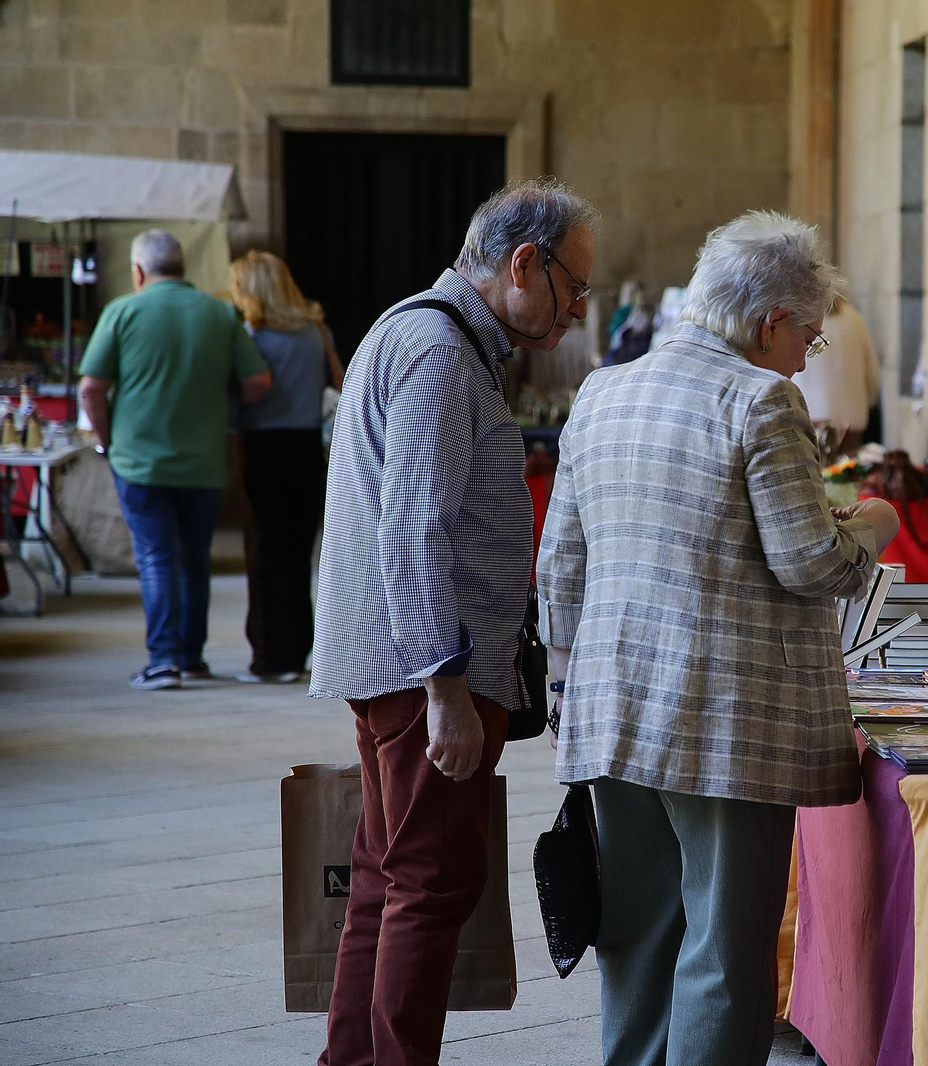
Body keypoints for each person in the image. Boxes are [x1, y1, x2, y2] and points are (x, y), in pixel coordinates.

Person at [537, 210, 901, 1066]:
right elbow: (811, 562)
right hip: (728, 722)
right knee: (725, 956)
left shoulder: (603, 390)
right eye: (809, 339)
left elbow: (559, 564)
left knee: (637, 935)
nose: (805, 355)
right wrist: (876, 526)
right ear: (771, 320)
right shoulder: (760, 397)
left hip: (614, 706)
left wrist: (563, 684)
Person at [309, 178, 598, 1066]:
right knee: (432, 884)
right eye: (573, 287)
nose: (578, 311)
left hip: (386, 654)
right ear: (522, 263)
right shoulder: (437, 349)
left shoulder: (417, 329)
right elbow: (412, 524)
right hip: (421, 666)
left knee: (385, 877)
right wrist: (445, 687)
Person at [78, 229, 272, 690]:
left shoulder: (122, 311)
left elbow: (91, 387)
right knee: (193, 559)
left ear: (138, 271)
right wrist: (225, 408)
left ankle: (163, 661)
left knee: (157, 557)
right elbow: (258, 381)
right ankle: (191, 656)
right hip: (203, 461)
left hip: (139, 461)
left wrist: (106, 440)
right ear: (182, 267)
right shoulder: (219, 314)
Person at [229, 250, 343, 684]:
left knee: (263, 552)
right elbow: (339, 381)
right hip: (305, 447)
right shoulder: (315, 329)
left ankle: (270, 657)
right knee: (298, 553)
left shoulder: (248, 335)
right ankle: (298, 650)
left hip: (261, 445)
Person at [792, 292, 880, 452]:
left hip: (810, 418)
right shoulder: (854, 318)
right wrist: (868, 404)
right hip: (851, 418)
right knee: (847, 473)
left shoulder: (798, 320)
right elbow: (872, 374)